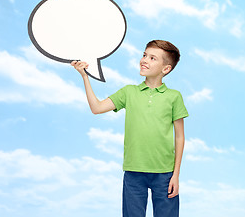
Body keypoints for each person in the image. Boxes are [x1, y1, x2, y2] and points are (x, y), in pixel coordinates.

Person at [71, 40, 188, 217]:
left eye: (152, 58)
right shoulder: (128, 92)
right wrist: (85, 77)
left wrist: (175, 175)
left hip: (165, 173)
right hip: (134, 171)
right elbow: (97, 108)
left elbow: (179, 137)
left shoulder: (174, 97)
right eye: (144, 55)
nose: (144, 60)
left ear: (166, 69)